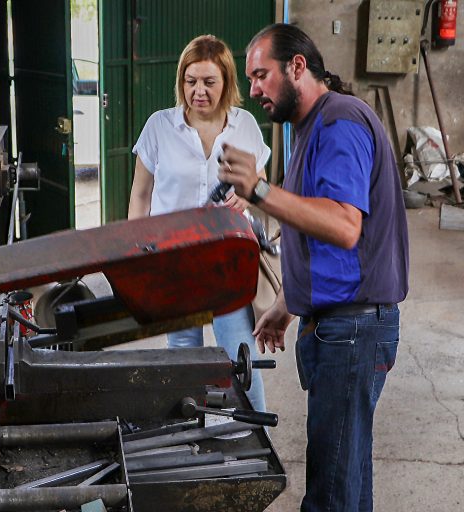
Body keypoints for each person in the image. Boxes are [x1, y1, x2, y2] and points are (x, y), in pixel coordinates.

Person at [218, 24, 409, 511]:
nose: (255, 88)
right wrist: (287, 303)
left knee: (331, 490)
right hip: (343, 323)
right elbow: (323, 239)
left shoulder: (338, 124)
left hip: (353, 330)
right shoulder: (310, 127)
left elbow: (344, 226)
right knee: (346, 478)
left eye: (262, 75)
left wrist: (259, 190)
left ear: (297, 67)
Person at [128, 34, 270, 412]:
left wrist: (251, 193)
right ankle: (186, 434)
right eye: (191, 81)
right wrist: (135, 257)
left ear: (226, 83)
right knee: (182, 355)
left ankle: (253, 432)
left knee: (241, 354)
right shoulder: (160, 126)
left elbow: (262, 184)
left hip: (228, 259)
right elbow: (141, 196)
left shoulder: (246, 126)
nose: (199, 91)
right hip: (174, 260)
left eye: (209, 82)